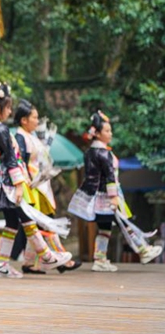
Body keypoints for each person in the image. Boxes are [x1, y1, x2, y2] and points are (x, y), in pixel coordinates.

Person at [0, 82, 71, 278]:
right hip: (8, 184)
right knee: (26, 219)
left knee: (13, 222)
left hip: (1, 181)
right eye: (8, 107)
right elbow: (10, 159)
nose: (10, 111)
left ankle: (1, 264)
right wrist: (19, 184)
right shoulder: (1, 130)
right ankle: (46, 256)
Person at [68, 110, 162, 271]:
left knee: (105, 228)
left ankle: (100, 259)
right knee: (124, 223)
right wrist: (113, 197)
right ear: (97, 134)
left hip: (94, 196)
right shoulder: (104, 154)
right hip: (108, 197)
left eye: (110, 130)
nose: (110, 134)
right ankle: (143, 250)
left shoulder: (89, 153)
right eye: (107, 131)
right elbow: (110, 176)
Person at [12, 100, 81, 274]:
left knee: (36, 224)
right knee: (45, 221)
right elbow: (20, 163)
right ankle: (62, 258)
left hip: (39, 185)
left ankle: (30, 262)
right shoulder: (20, 137)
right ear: (24, 120)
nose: (37, 121)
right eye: (34, 117)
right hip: (32, 186)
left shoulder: (29, 136)